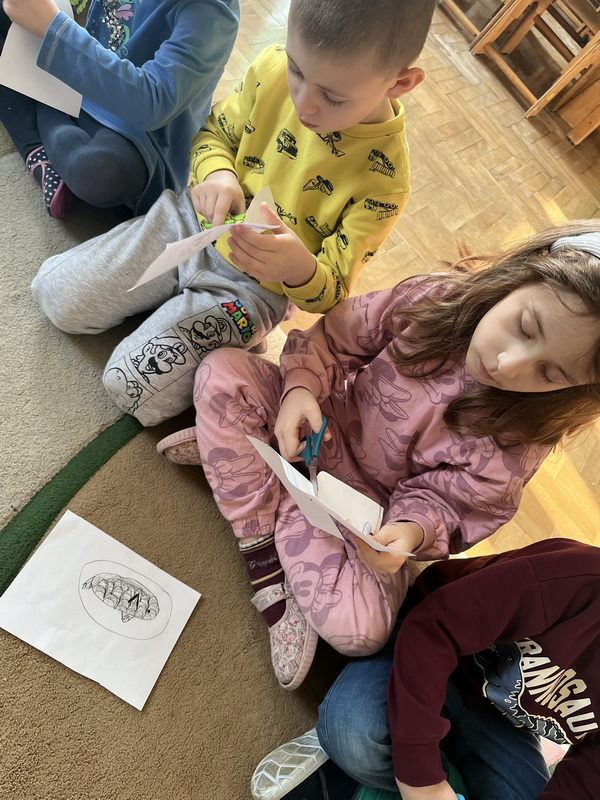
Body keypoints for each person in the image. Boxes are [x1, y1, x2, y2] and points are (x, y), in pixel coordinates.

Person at [156, 223, 600, 691]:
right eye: (524, 327)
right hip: (315, 423)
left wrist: (410, 532)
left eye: (549, 374)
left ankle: (252, 471)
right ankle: (262, 552)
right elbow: (336, 338)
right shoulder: (432, 298)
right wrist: (301, 388)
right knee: (222, 370)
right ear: (519, 275)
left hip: (363, 508)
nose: (508, 365)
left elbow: (454, 504)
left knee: (363, 630)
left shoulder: (524, 436)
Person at [31, 0, 435, 424]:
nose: (304, 103)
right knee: (56, 295)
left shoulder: (385, 184)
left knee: (130, 387)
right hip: (189, 224)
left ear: (401, 83)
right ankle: (198, 324)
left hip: (252, 292)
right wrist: (218, 172)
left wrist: (299, 270)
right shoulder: (272, 67)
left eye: (333, 97)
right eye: (296, 70)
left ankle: (232, 333)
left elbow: (331, 291)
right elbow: (213, 135)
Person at [251, 537, 600, 800]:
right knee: (353, 734)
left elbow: (588, 780)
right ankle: (417, 770)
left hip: (502, 719)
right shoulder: (580, 577)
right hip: (429, 652)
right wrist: (424, 782)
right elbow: (432, 629)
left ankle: (432, 774)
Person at [0, 0, 240, 218]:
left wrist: (54, 30)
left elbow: (151, 105)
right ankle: (43, 147)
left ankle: (36, 135)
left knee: (100, 173)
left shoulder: (211, 13)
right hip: (86, 78)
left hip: (141, 136)